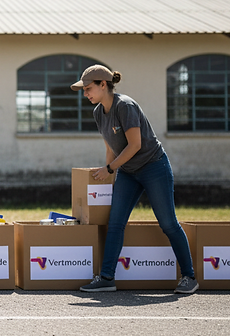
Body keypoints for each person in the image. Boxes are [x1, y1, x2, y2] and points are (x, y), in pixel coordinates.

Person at [71, 65, 198, 294]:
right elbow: (111, 145)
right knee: (116, 224)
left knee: (168, 223)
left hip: (153, 167)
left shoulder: (125, 106)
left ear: (103, 85)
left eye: (89, 88)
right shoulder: (98, 112)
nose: (85, 93)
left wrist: (110, 168)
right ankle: (107, 277)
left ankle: (189, 276)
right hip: (128, 172)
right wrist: (107, 172)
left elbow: (135, 145)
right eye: (84, 90)